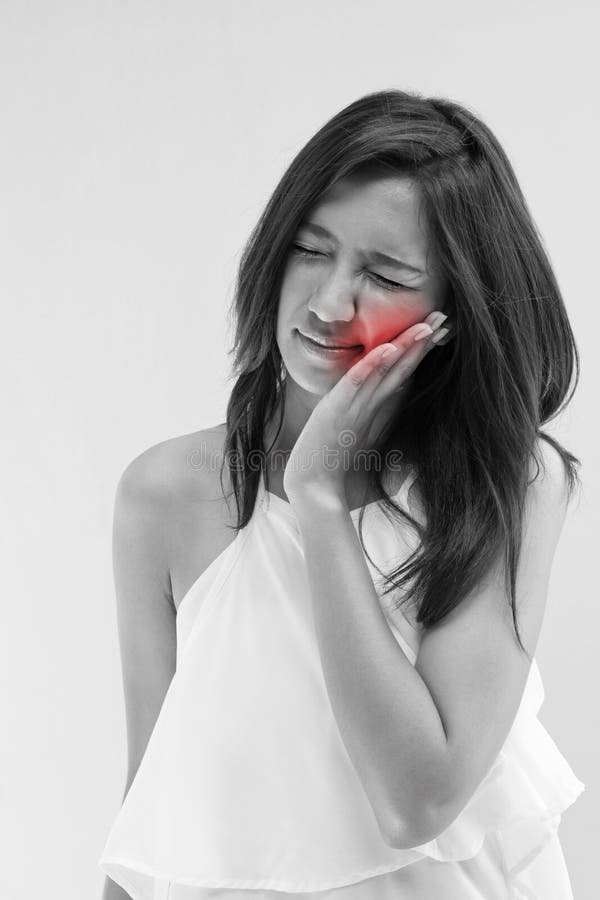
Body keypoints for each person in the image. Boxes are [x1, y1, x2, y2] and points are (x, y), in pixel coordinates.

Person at [99, 89, 585, 899]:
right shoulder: (165, 498)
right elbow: (153, 816)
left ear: (453, 311)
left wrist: (319, 499)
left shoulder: (508, 482)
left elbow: (418, 799)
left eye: (385, 273)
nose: (328, 304)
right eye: (309, 249)